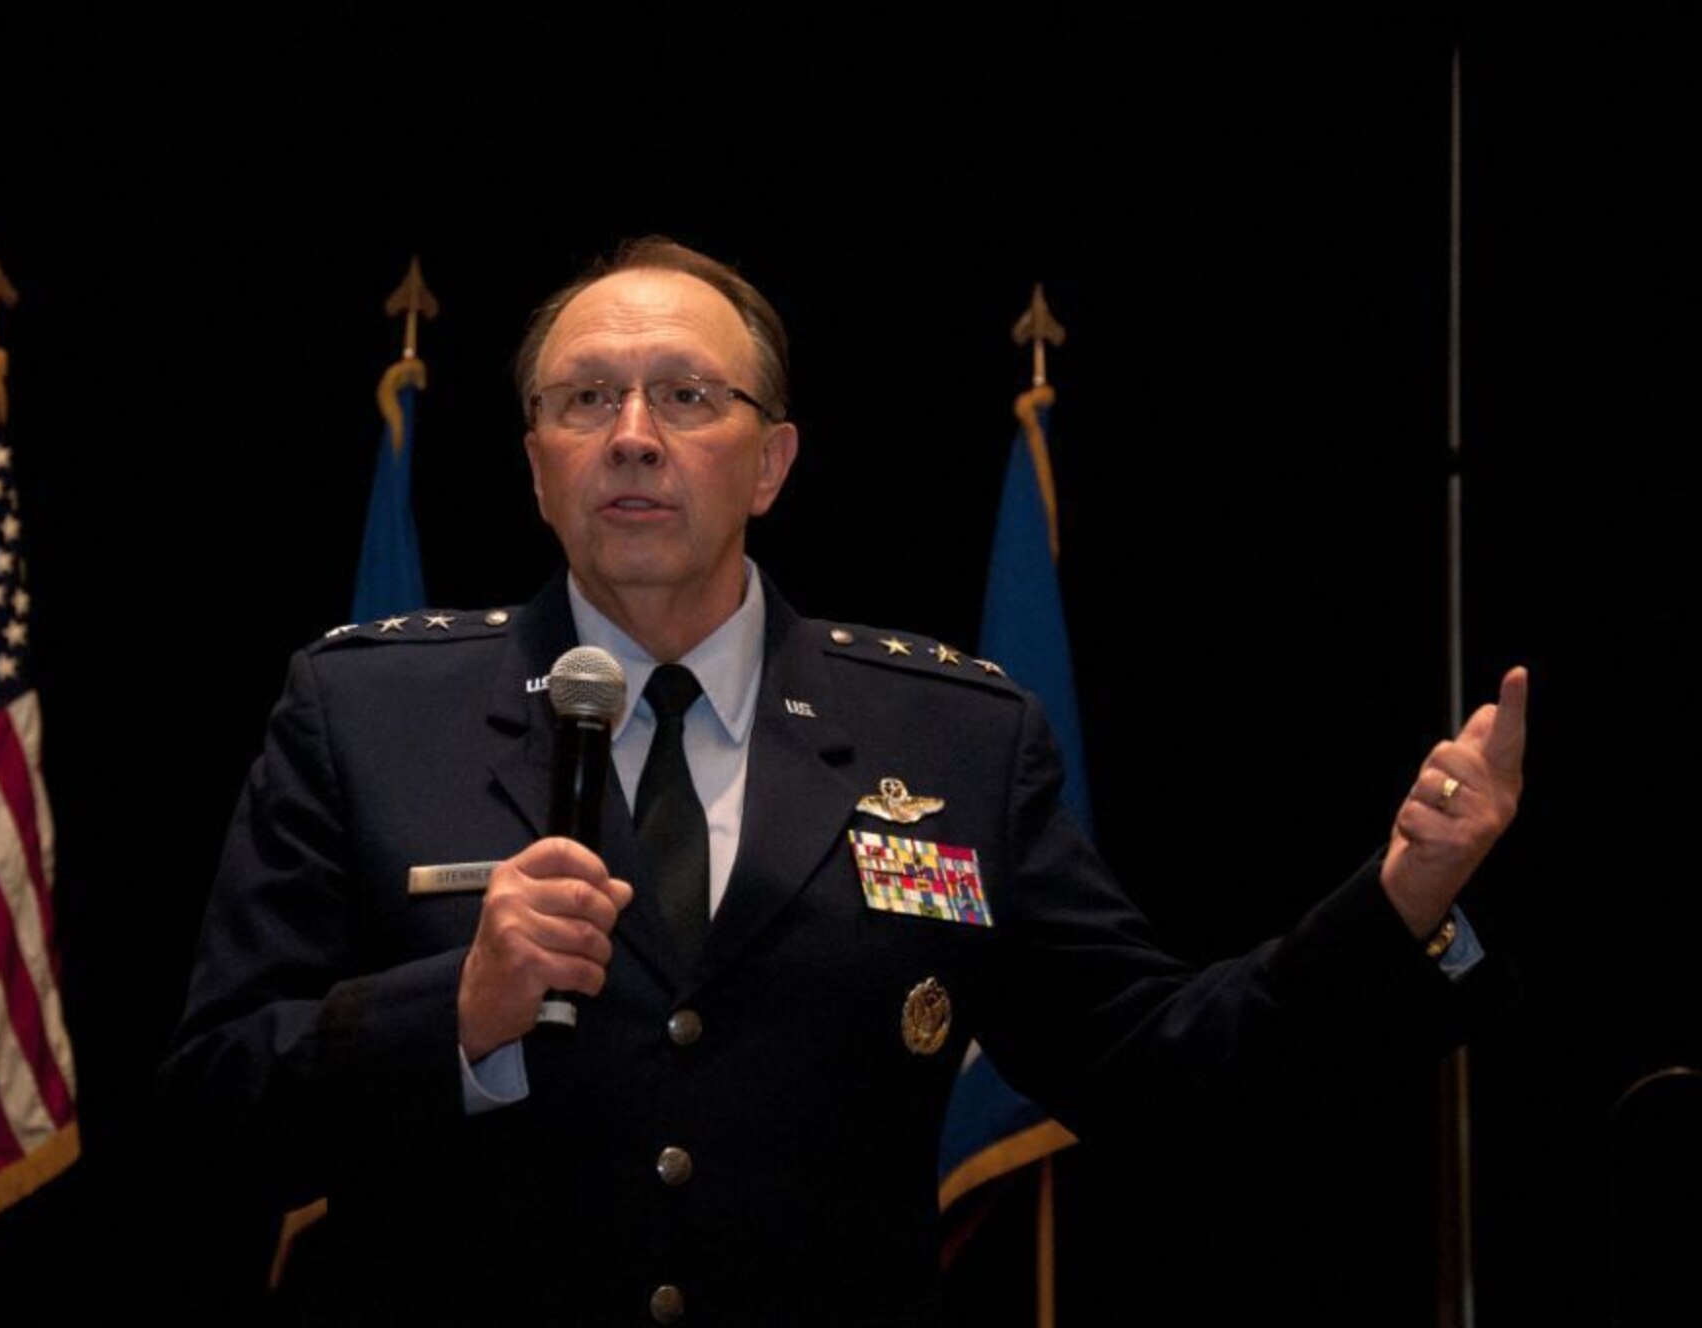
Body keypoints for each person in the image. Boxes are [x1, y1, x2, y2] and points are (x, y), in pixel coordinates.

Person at [160, 238, 1526, 1327]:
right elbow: (211, 1113)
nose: (633, 433)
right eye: (586, 399)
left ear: (771, 461)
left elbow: (1157, 1070)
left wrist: (1398, 904)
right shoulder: (362, 713)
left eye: (688, 396)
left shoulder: (950, 736)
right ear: (535, 466)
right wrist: (447, 1014)